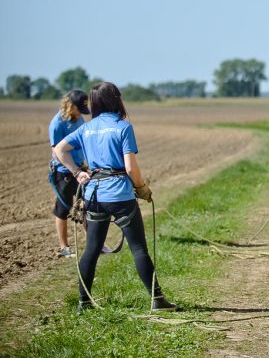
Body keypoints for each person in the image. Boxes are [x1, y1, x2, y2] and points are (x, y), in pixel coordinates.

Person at [52, 82, 176, 312]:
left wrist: (77, 172)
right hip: (119, 196)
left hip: (94, 196)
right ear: (116, 99)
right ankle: (157, 300)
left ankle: (84, 302)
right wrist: (141, 188)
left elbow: (59, 149)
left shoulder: (87, 128)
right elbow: (130, 168)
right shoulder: (123, 127)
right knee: (138, 248)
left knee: (91, 249)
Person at [48, 90, 89, 258]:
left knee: (87, 206)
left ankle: (93, 243)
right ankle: (64, 247)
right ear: (70, 105)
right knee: (63, 209)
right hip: (64, 172)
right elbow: (56, 151)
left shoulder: (80, 119)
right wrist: (73, 170)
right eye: (79, 108)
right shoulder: (57, 124)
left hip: (81, 169)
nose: (81, 112)